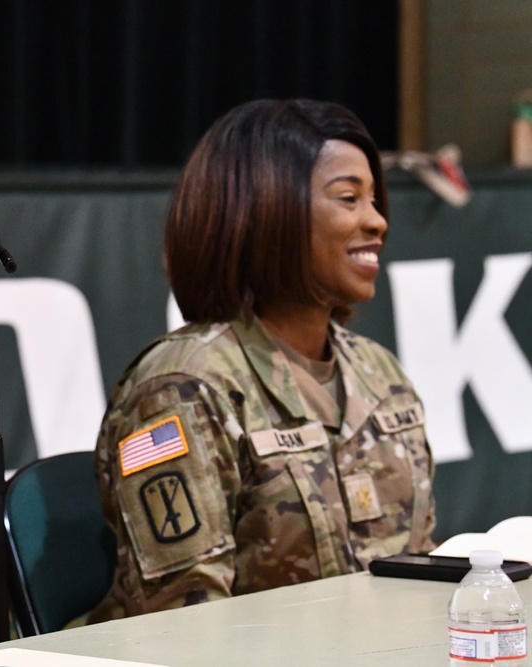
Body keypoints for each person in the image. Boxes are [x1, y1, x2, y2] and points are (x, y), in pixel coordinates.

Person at [89, 99, 437, 620]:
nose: (377, 221)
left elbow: (424, 570)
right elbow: (187, 625)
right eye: (349, 198)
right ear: (268, 209)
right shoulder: (183, 388)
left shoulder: (379, 371)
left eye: (374, 199)